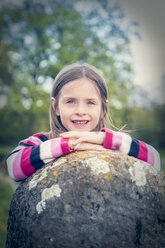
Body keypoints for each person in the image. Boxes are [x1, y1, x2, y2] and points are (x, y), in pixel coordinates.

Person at [6, 63, 161, 181]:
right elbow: (12, 166)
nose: (80, 110)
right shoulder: (42, 141)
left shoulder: (114, 144)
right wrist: (69, 144)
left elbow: (155, 160)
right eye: (71, 101)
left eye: (90, 103)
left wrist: (104, 140)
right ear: (56, 107)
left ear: (103, 108)